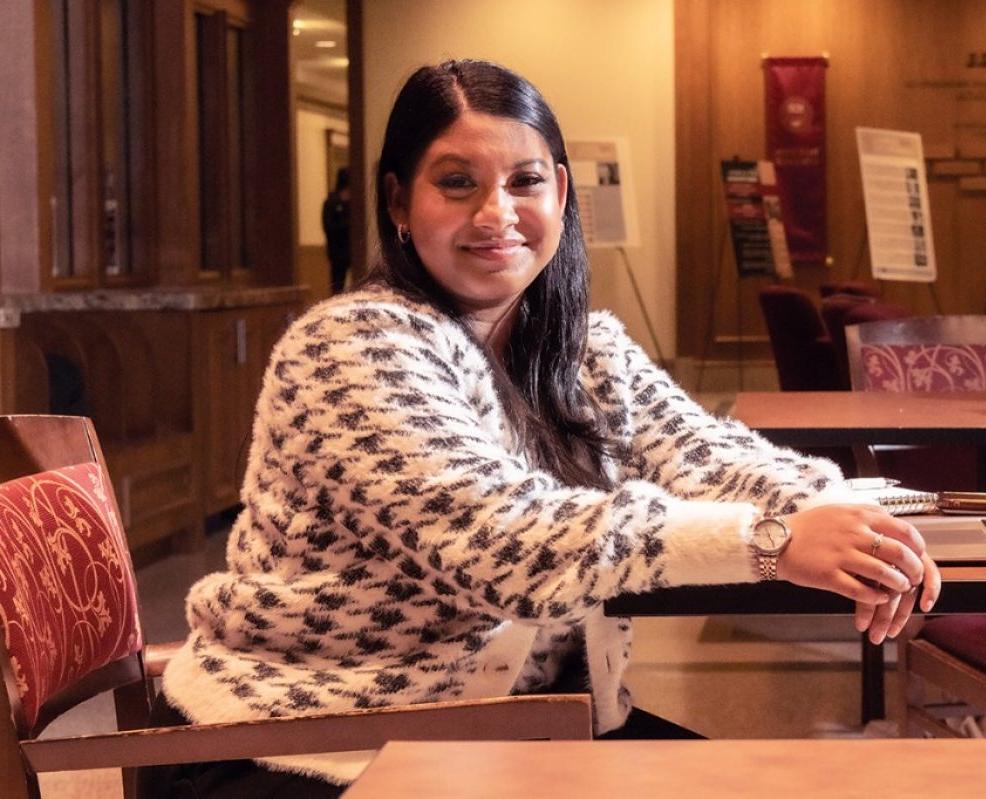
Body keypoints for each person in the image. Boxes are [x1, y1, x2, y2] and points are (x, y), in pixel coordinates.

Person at [156, 59, 941, 795]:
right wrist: (767, 541)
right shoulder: (351, 346)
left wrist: (845, 516)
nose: (495, 213)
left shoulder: (583, 345)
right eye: (456, 183)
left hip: (521, 732)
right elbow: (506, 542)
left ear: (560, 194)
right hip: (317, 748)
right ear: (398, 202)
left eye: (524, 180)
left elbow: (707, 456)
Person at [321, 167, 352, 293]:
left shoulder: (353, 203)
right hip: (337, 251)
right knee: (338, 285)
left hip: (351, 251)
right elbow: (328, 226)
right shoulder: (332, 203)